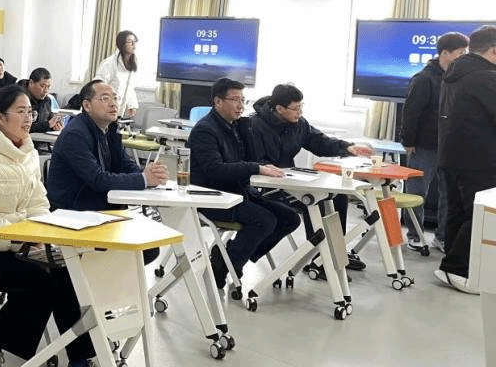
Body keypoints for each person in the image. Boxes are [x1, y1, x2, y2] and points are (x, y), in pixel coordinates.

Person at [0, 85, 96, 367]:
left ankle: (80, 358)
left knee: (66, 272)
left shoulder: (27, 151)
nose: (28, 119)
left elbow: (38, 202)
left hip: (15, 239)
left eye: (30, 112)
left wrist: (38, 233)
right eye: (21, 112)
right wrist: (22, 238)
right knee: (38, 281)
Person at [187, 77, 301, 290]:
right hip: (213, 196)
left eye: (243, 100)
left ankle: (229, 258)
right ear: (218, 102)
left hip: (238, 193)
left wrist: (248, 134)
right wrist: (255, 168)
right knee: (264, 220)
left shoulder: (238, 126)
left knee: (290, 218)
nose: (240, 105)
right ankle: (226, 264)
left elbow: (252, 159)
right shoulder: (205, 130)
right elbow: (215, 169)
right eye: (234, 100)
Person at [249, 84, 372, 272]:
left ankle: (336, 253)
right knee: (316, 200)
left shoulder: (299, 124)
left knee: (336, 196)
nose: (299, 112)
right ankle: (320, 258)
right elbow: (254, 162)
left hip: (290, 181)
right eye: (295, 108)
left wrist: (347, 147)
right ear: (280, 109)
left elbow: (319, 141)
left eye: (301, 107)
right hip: (265, 186)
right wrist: (271, 170)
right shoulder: (254, 125)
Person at [435, 26, 496, 294]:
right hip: (480, 158)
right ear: (494, 51)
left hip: (452, 155)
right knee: (479, 215)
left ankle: (452, 264)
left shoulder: (455, 74)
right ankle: (457, 268)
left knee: (458, 212)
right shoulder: (487, 77)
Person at [47, 80, 167, 211]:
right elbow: (97, 179)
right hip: (73, 212)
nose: (113, 104)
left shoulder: (111, 129)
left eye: (115, 98)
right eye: (105, 98)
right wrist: (143, 179)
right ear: (87, 105)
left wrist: (148, 174)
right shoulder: (75, 134)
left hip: (101, 206)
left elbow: (124, 163)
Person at [401, 32, 469, 252]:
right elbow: (411, 112)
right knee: (417, 193)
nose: (463, 57)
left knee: (448, 195)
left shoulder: (457, 78)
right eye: (460, 53)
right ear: (445, 53)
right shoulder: (424, 78)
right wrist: (408, 141)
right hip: (423, 146)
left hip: (449, 147)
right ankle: (415, 235)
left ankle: (442, 237)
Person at [94, 30, 139, 119]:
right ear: (122, 44)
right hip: (104, 110)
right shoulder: (110, 63)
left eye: (135, 41)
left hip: (117, 112)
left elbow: (130, 88)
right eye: (130, 42)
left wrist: (132, 105)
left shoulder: (131, 64)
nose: (133, 44)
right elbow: (97, 85)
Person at [19, 67, 63, 133]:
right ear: (31, 83)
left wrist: (55, 125)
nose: (46, 90)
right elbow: (18, 127)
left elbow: (50, 122)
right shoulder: (18, 99)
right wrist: (46, 125)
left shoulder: (47, 100)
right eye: (42, 86)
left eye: (48, 86)